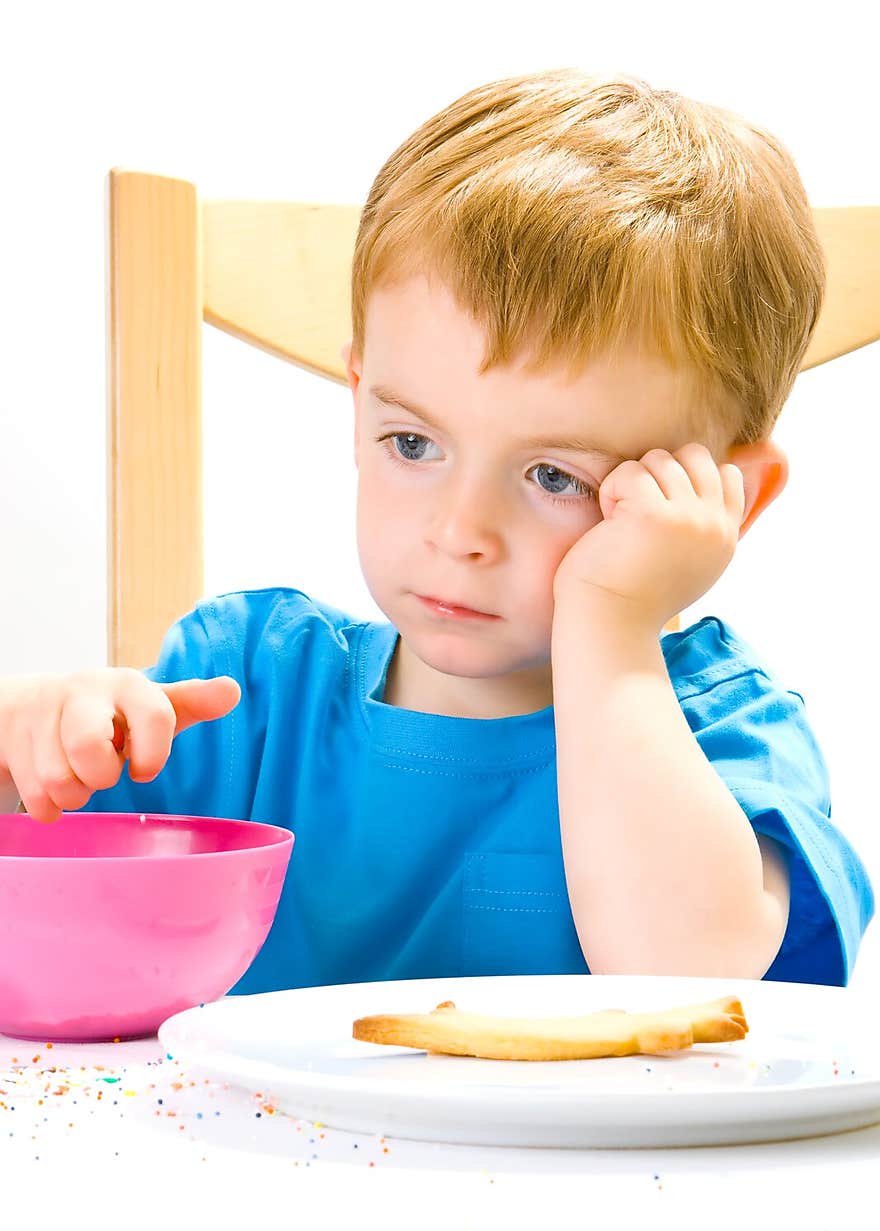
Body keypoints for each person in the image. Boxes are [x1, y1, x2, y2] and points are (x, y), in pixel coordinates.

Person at [0, 68, 873, 991]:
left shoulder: (730, 733)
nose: (460, 531)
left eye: (554, 476)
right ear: (357, 405)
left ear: (727, 497)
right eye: (412, 441)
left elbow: (693, 981)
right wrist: (25, 752)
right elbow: (48, 943)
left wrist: (611, 628)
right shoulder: (247, 690)